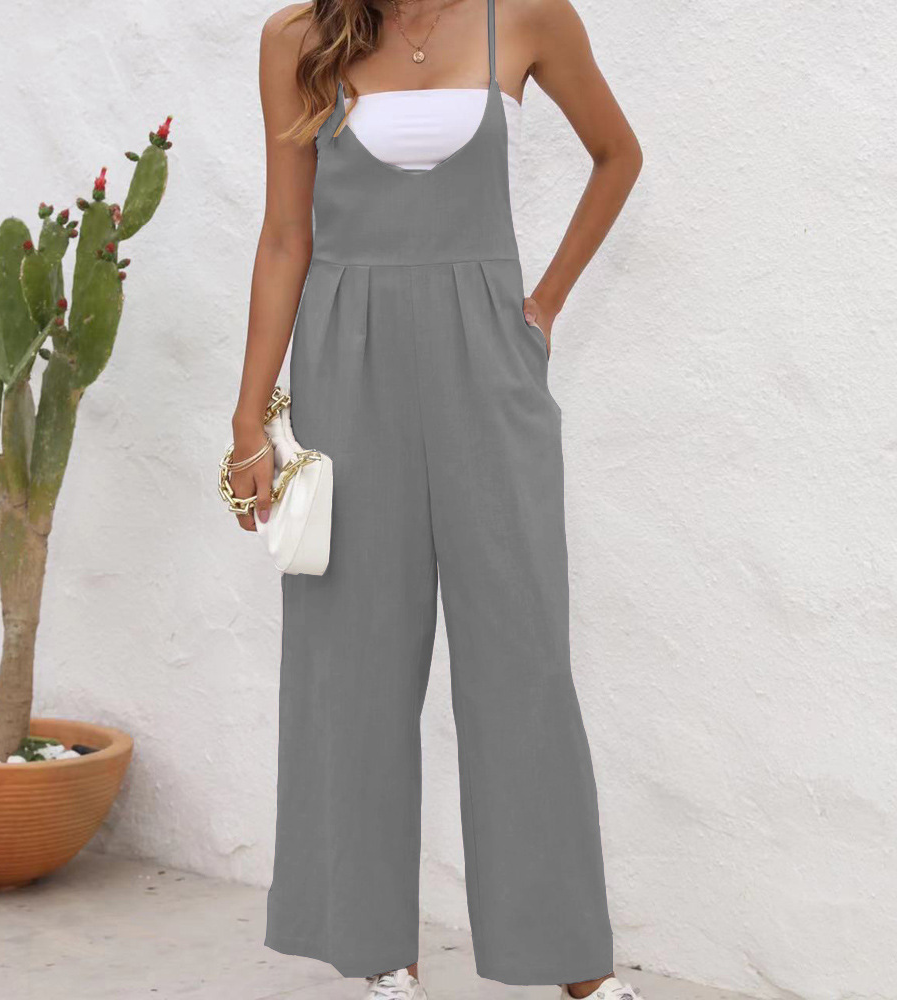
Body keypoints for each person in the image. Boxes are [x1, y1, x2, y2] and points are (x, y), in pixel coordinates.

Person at [229, 0, 643, 996]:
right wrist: (249, 421)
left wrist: (541, 307)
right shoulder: (296, 38)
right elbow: (285, 237)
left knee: (523, 661)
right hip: (347, 362)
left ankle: (572, 964)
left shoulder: (526, 16)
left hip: (487, 363)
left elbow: (617, 155)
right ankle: (382, 959)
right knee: (352, 665)